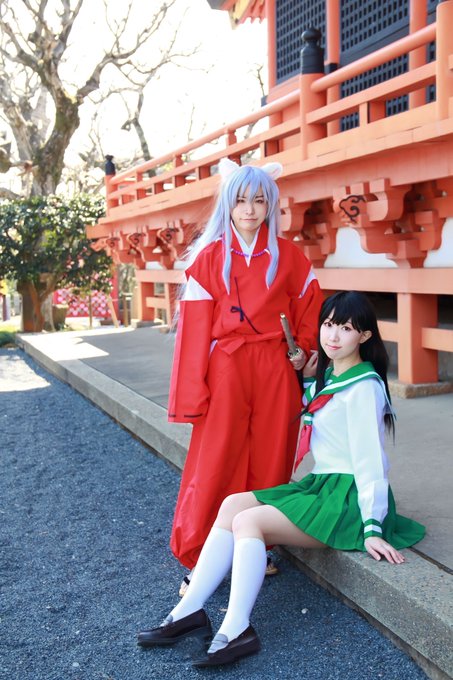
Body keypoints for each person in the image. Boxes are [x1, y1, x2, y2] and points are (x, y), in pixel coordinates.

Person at [138, 291, 425, 667]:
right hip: (323, 486)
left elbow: (371, 461)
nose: (333, 335)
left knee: (248, 521)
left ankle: (237, 628)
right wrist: (305, 377)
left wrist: (372, 527)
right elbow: (320, 412)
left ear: (365, 336)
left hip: (348, 499)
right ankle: (188, 611)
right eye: (328, 324)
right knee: (233, 504)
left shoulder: (363, 386)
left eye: (346, 328)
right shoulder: (333, 376)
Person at [167, 158, 323, 591]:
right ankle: (201, 554)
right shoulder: (209, 258)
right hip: (227, 368)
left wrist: (304, 350)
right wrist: (191, 393)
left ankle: (255, 544)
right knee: (216, 458)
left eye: (259, 200)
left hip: (275, 367)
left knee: (272, 456)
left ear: (271, 205)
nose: (250, 209)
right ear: (227, 205)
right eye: (240, 200)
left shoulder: (290, 258)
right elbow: (194, 333)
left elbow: (309, 311)